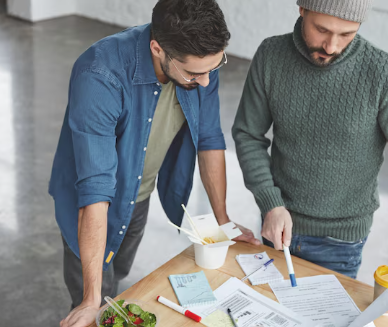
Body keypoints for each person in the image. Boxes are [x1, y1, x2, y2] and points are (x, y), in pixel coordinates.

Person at [49, 1, 259, 326]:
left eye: (213, 68)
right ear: (158, 49)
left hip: (139, 196)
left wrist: (223, 221)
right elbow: (95, 189)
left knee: (116, 277)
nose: (205, 82)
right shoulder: (99, 74)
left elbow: (209, 139)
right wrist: (91, 301)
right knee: (94, 299)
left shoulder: (200, 66)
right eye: (193, 73)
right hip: (92, 205)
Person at [232, 0, 388, 281]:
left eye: (346, 34)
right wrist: (270, 203)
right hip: (276, 224)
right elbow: (248, 134)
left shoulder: (386, 75)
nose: (331, 46)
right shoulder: (271, 56)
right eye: (321, 29)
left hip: (340, 244)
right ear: (302, 10)